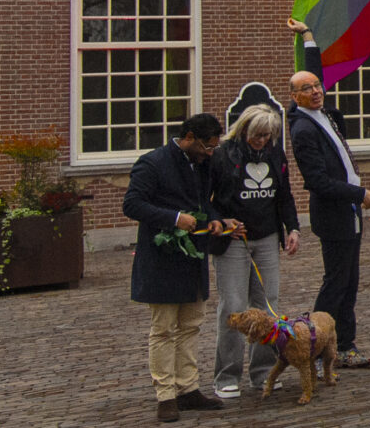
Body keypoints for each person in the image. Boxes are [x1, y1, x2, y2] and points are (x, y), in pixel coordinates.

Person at [122, 113, 243, 422]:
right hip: (161, 258)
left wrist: (215, 219)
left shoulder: (201, 164)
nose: (210, 153)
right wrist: (175, 218)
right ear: (189, 137)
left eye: (214, 147)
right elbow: (132, 204)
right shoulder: (152, 163)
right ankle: (165, 395)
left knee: (191, 324)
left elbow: (204, 202)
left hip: (193, 258)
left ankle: (188, 388)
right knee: (164, 328)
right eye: (206, 146)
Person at [288, 20, 370, 369]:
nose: (316, 91)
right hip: (335, 213)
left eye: (317, 86)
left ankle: (344, 345)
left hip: (349, 214)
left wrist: (307, 35)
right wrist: (359, 193)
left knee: (349, 281)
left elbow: (315, 71)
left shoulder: (319, 111)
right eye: (307, 89)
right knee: (336, 283)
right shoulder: (303, 129)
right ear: (295, 97)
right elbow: (317, 181)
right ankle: (315, 346)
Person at [208, 104, 301, 400]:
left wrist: (293, 228)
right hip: (234, 239)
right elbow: (205, 198)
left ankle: (263, 372)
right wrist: (222, 222)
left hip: (267, 236)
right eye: (257, 135)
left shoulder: (275, 154)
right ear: (244, 129)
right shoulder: (223, 155)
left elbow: (284, 194)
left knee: (267, 304)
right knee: (234, 307)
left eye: (267, 136)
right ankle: (227, 375)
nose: (262, 141)